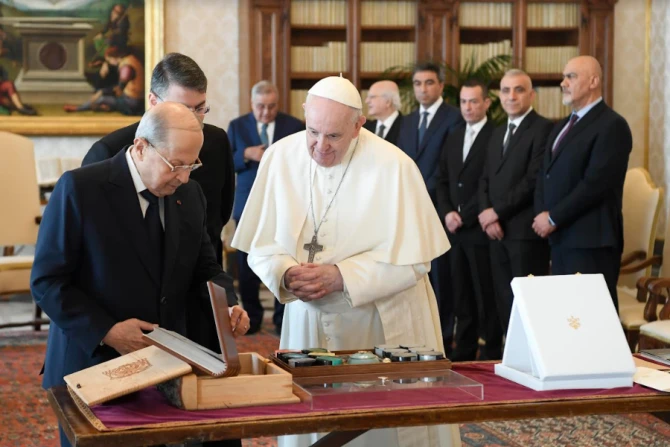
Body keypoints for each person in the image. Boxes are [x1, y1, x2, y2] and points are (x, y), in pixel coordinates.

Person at [232, 76, 460, 447]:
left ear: (358, 125)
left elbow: (416, 262)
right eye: (313, 132)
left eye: (334, 136)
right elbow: (260, 243)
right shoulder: (279, 157)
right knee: (311, 425)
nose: (320, 146)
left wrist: (342, 276)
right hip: (307, 318)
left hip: (376, 321)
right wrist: (285, 273)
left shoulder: (394, 166)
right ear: (304, 114)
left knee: (378, 430)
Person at [31, 102, 249, 447]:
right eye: (175, 165)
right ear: (141, 147)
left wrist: (228, 305)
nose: (184, 177)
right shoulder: (81, 188)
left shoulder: (190, 194)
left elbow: (205, 267)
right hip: (91, 365)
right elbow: (47, 281)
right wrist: (108, 331)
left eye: (192, 164)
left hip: (163, 367)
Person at [81, 52, 235, 271]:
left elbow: (220, 215)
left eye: (200, 108)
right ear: (153, 102)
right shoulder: (108, 152)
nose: (193, 119)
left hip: (203, 276)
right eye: (183, 109)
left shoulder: (217, 142)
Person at [534, 56, 632, 311]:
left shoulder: (612, 125)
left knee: (593, 318)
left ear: (593, 81)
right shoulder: (561, 126)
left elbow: (596, 184)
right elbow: (544, 174)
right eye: (563, 77)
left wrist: (553, 217)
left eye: (571, 76)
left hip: (591, 241)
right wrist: (542, 214)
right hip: (560, 239)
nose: (563, 83)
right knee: (567, 317)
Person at [478, 69, 553, 334]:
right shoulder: (497, 132)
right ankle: (507, 355)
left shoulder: (544, 128)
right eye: (506, 90)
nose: (511, 96)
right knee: (503, 302)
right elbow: (485, 177)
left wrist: (496, 212)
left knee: (528, 309)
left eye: (519, 90)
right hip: (495, 232)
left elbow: (533, 180)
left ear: (531, 95)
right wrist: (487, 215)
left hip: (524, 233)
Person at [396, 62, 464, 354]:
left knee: (442, 277)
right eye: (418, 83)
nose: (423, 89)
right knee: (414, 275)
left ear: (441, 86)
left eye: (429, 82)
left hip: (439, 207)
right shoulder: (408, 121)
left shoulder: (454, 117)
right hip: (410, 209)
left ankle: (444, 338)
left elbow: (450, 164)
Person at [228, 80, 303, 335]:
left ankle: (282, 319)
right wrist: (245, 154)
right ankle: (252, 317)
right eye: (260, 106)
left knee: (283, 259)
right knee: (247, 262)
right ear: (252, 104)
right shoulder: (237, 126)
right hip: (248, 202)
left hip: (284, 203)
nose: (266, 112)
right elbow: (226, 162)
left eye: (271, 106)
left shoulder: (293, 126)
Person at [436, 79, 501, 361]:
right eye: (463, 101)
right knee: (460, 293)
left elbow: (491, 184)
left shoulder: (496, 135)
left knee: (484, 294)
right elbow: (442, 179)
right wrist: (447, 212)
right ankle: (462, 351)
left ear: (487, 103)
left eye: (474, 101)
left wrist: (465, 215)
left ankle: (490, 351)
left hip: (479, 229)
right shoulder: (454, 135)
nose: (468, 107)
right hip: (454, 230)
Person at [64, 46, 144, 116]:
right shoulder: (130, 59)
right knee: (103, 99)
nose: (109, 63)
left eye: (109, 60)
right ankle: (100, 107)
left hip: (131, 103)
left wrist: (101, 92)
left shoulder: (126, 67)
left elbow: (119, 90)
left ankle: (78, 109)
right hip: (132, 99)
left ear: (114, 58)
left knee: (102, 99)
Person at [363, 79, 403, 146]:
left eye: (372, 97)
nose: (367, 101)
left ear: (388, 101)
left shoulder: (407, 127)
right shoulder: (365, 128)